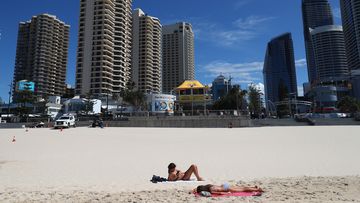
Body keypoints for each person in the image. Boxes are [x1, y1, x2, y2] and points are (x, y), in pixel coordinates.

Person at [194, 184, 263, 195]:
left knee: (243, 189)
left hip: (226, 188)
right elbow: (197, 188)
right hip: (224, 185)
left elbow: (220, 193)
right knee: (241, 187)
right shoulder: (209, 185)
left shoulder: (211, 190)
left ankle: (257, 190)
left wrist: (227, 193)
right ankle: (254, 187)